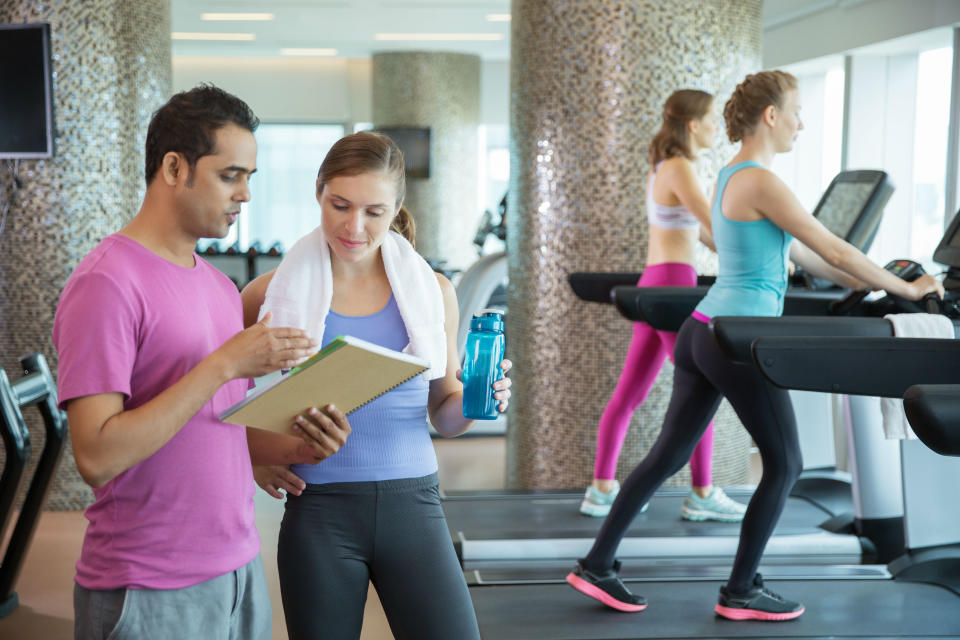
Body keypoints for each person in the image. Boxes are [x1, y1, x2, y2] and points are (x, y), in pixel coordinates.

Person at [566, 70, 943, 621]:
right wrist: (907, 287)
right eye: (795, 111)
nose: (801, 123)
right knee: (786, 463)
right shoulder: (762, 182)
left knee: (666, 455)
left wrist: (868, 281)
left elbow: (803, 256)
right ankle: (741, 590)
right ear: (771, 115)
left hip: (705, 329)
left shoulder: (731, 175)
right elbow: (835, 250)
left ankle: (596, 565)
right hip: (736, 339)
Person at [53, 85, 352, 640]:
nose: (244, 195)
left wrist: (298, 444)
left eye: (250, 179)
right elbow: (96, 456)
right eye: (229, 175)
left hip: (237, 571)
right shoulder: (105, 283)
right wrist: (221, 365)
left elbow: (214, 430)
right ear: (173, 167)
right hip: (147, 586)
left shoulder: (217, 286)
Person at [241, 131, 513, 640]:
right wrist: (256, 454)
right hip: (318, 511)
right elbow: (222, 391)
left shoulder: (432, 292)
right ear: (318, 190)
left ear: (396, 208)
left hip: (414, 506)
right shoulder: (268, 293)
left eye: (374, 211)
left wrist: (481, 400)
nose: (353, 227)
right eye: (339, 205)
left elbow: (446, 415)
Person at [580, 89, 747, 523]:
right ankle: (703, 492)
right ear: (693, 125)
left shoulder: (660, 168)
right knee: (700, 389)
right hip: (673, 283)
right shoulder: (680, 167)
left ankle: (601, 489)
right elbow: (716, 227)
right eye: (712, 119)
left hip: (655, 280)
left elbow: (702, 235)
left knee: (630, 394)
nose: (717, 128)